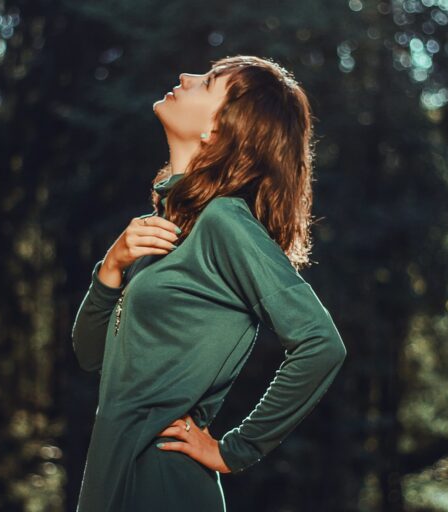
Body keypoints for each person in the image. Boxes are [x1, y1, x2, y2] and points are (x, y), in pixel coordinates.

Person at [71, 55, 348, 511]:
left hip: (164, 483)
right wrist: (112, 266)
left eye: (208, 81)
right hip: (112, 477)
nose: (185, 77)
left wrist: (233, 449)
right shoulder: (164, 229)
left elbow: (321, 343)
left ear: (218, 130)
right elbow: (90, 355)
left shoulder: (224, 221)